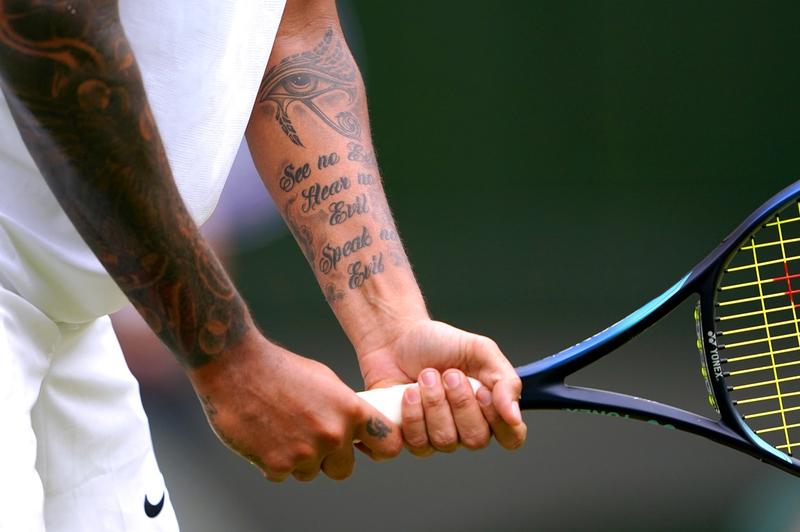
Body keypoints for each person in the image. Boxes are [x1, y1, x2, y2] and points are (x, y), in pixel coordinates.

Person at [0, 0, 527, 530]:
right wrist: (230, 362)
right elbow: (48, 16)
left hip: (69, 326)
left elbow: (293, 30)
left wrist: (391, 325)